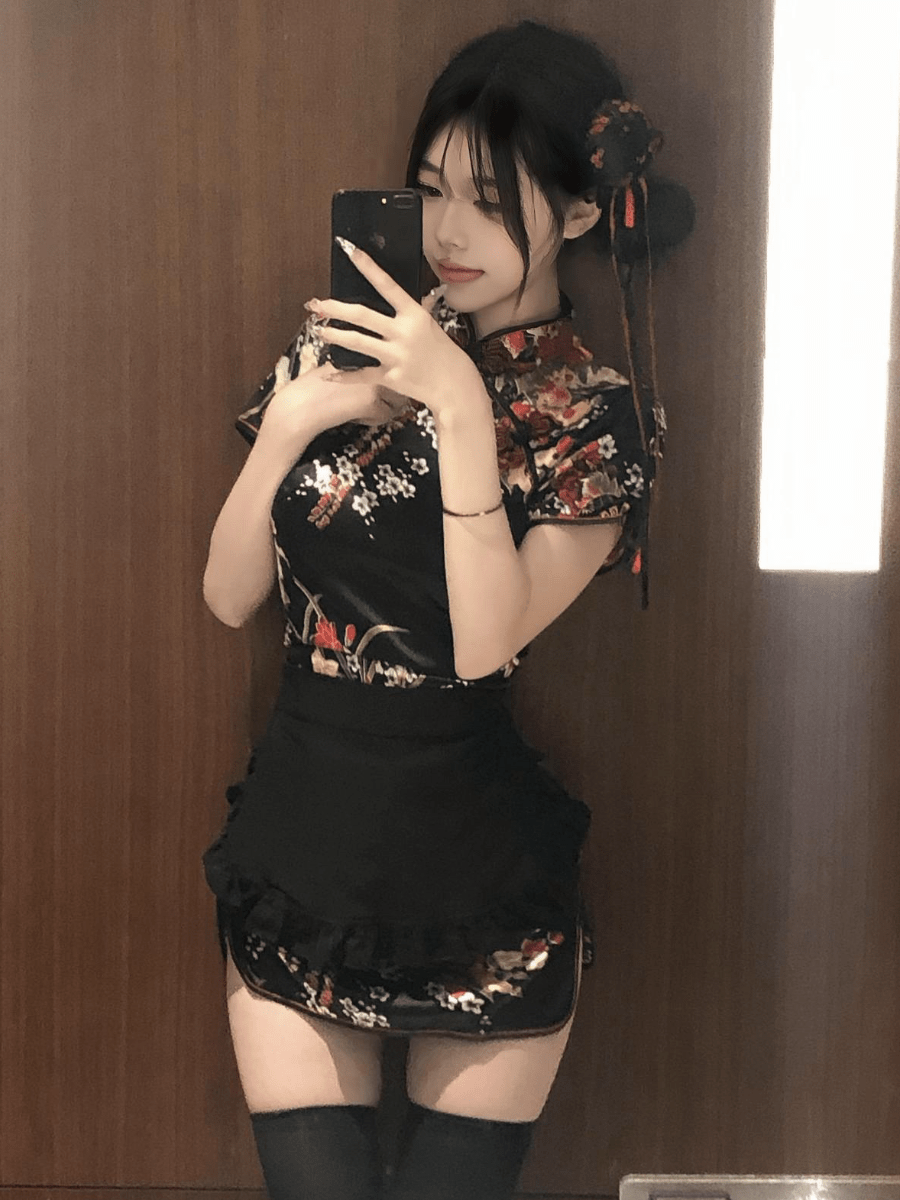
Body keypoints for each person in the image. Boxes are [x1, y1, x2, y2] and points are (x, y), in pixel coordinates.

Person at [201, 17, 694, 1200]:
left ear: (581, 212)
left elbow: (483, 643)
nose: (446, 232)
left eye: (489, 199)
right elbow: (228, 597)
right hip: (303, 850)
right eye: (429, 190)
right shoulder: (343, 351)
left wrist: (463, 407)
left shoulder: (594, 416)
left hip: (481, 881)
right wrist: (285, 429)